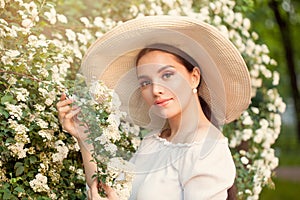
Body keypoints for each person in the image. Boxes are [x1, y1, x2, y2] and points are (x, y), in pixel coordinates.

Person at [56, 16, 251, 199]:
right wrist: (84, 138)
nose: (156, 89)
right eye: (145, 82)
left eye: (167, 75)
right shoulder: (154, 141)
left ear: (194, 77)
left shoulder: (207, 150)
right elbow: (110, 191)